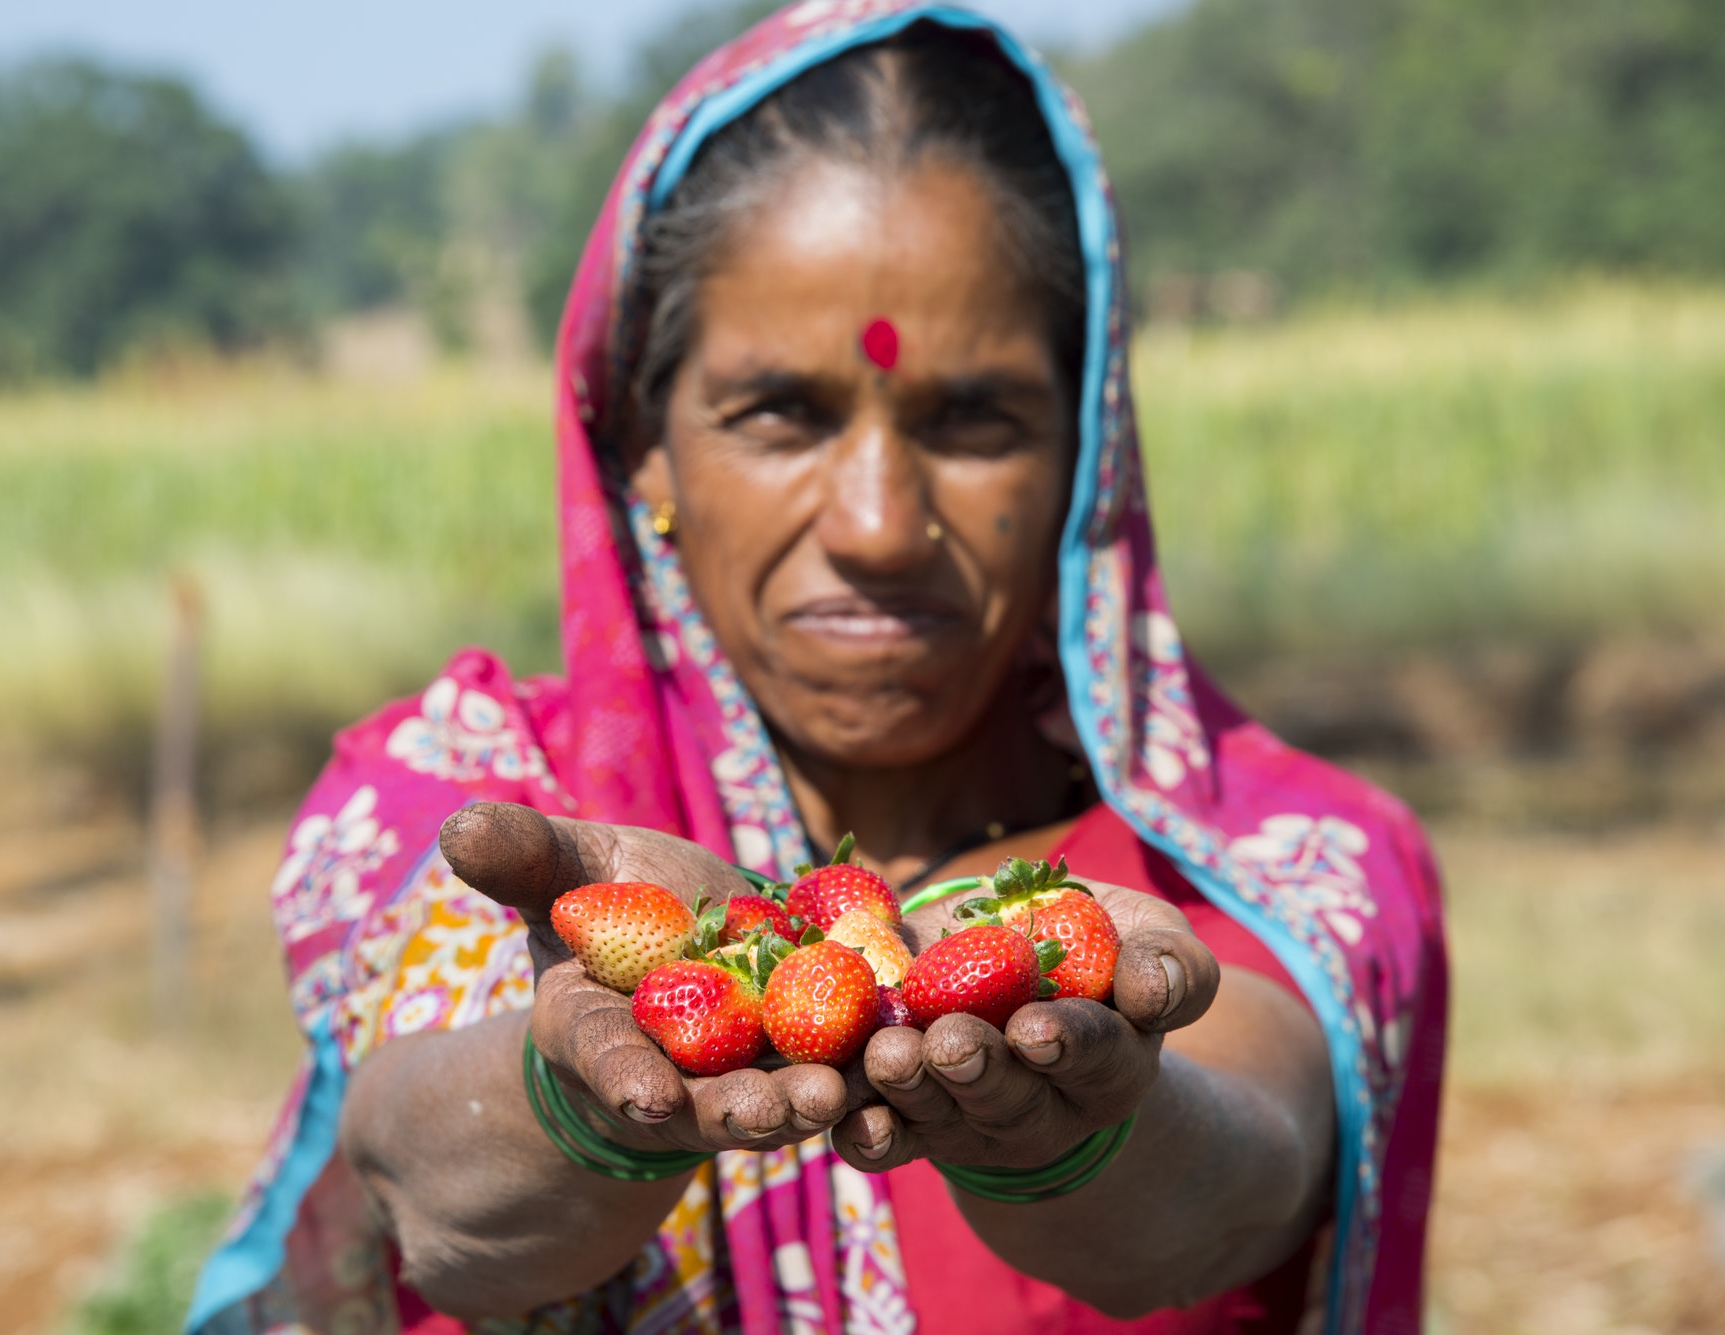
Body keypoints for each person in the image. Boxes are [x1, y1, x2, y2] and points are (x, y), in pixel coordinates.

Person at [185, 4, 1447, 1333]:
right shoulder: (451, 794)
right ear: (639, 441)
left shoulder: (1286, 861)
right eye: (781, 412)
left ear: (1089, 450)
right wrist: (581, 1094)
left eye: (976, 418)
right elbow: (431, 1187)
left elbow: (1234, 1179)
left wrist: (1074, 1130)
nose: (880, 525)